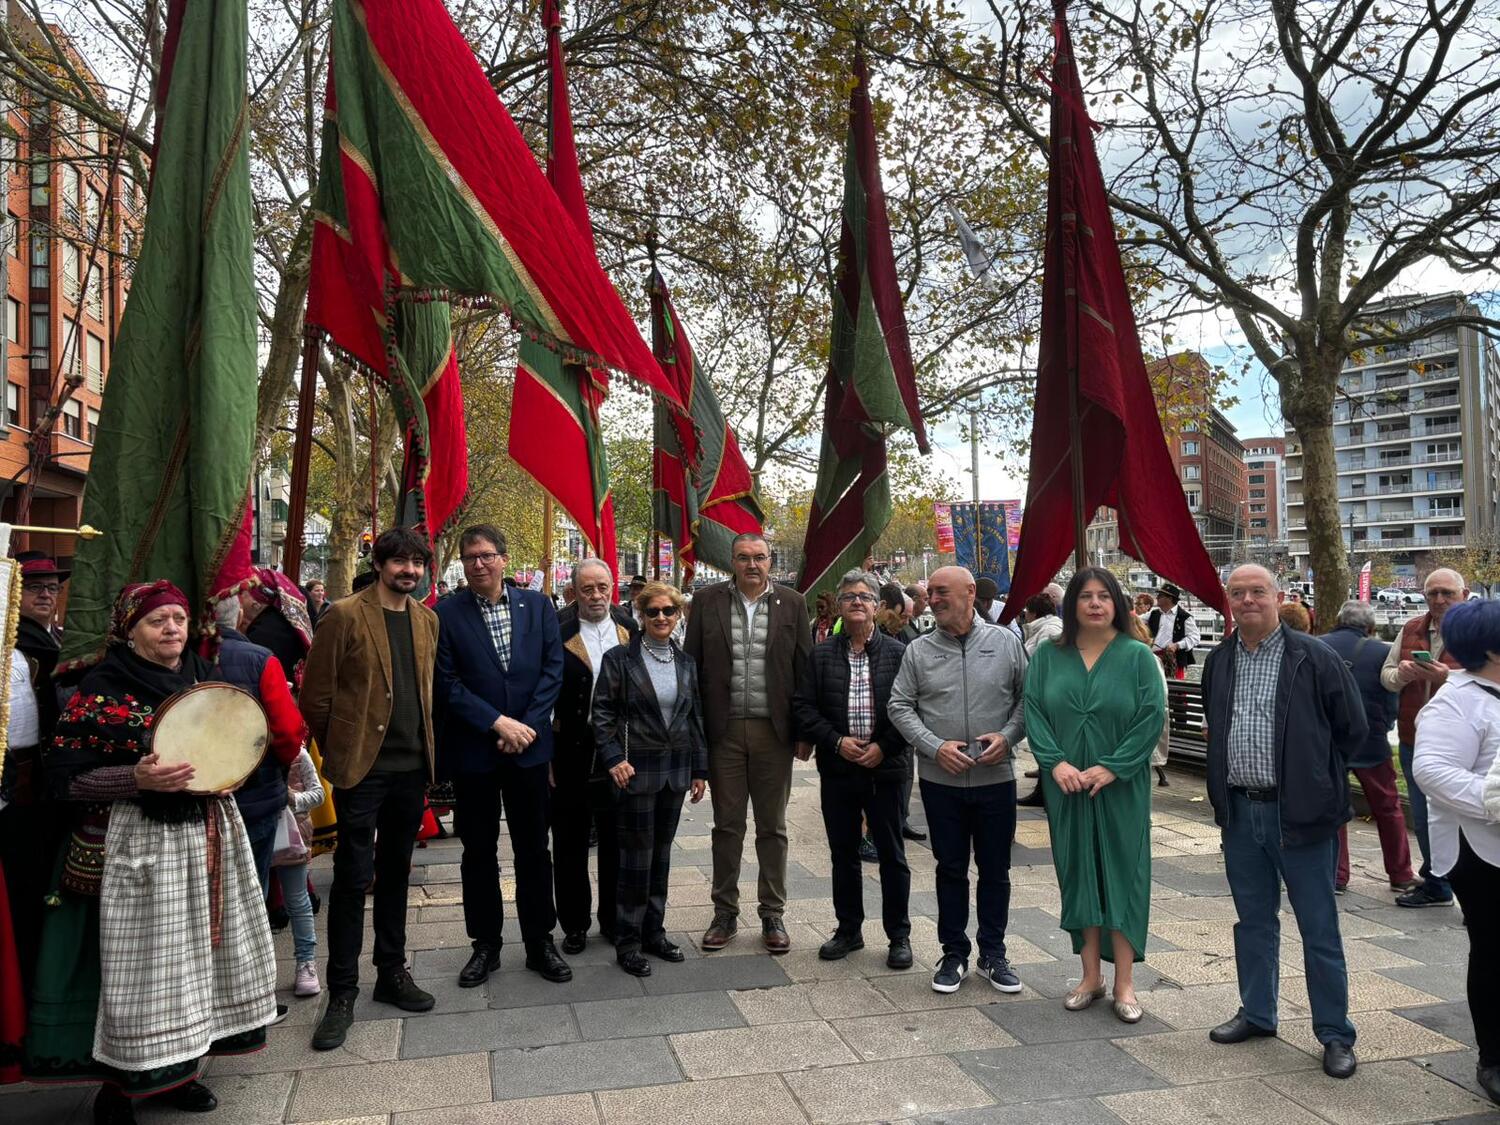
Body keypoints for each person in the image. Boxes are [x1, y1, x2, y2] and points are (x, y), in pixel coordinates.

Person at [24, 581, 277, 1122]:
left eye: (179, 620)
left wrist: (225, 777)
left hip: (204, 838)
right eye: (157, 620)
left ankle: (181, 1075)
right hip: (134, 846)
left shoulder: (203, 680)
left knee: (194, 964)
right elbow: (63, 783)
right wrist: (135, 778)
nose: (171, 630)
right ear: (129, 630)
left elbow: (228, 748)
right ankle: (119, 1088)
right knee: (132, 973)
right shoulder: (101, 690)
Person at [1200, 564, 1366, 1080]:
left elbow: (1353, 731)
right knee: (1252, 921)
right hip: (1239, 811)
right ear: (1228, 601)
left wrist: (1315, 778)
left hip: (1301, 816)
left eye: (1257, 592)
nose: (1247, 600)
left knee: (1318, 927)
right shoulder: (1220, 660)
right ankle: (1257, 1013)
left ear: (1278, 597)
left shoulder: (1314, 657)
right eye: (1237, 592)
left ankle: (1335, 1033)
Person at [300, 528, 440, 1051]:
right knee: (352, 878)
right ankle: (341, 993)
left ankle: (391, 973)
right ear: (379, 563)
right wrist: (342, 751)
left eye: (416, 562)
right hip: (362, 770)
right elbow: (316, 696)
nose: (409, 570)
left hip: (411, 769)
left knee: (397, 875)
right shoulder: (343, 614)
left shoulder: (427, 620)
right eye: (399, 561)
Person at [1025, 567, 1164, 1022]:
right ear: (1072, 605)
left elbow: (1150, 716)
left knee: (1124, 875)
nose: (1095, 604)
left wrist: (1113, 766)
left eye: (1104, 596)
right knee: (1079, 871)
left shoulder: (1138, 656)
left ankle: (1124, 982)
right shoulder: (1049, 655)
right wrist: (1055, 762)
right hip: (1065, 785)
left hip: (1121, 787)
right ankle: (1090, 976)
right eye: (1085, 596)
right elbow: (1035, 710)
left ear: (1118, 604)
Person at [435, 525, 569, 987]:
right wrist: (497, 722)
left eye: (486, 555)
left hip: (530, 754)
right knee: (478, 851)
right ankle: (485, 945)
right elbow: (446, 682)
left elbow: (553, 670)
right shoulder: (445, 614)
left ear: (504, 559)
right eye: (470, 557)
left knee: (534, 849)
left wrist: (526, 727)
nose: (478, 564)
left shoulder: (538, 606)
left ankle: (539, 943)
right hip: (476, 752)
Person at [889, 565, 1027, 995]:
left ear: (970, 593)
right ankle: (953, 953)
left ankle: (993, 953)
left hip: (995, 779)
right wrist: (933, 746)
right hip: (940, 782)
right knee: (950, 868)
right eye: (930, 592)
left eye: (942, 591)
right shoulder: (919, 650)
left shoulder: (1006, 642)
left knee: (995, 870)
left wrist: (1007, 738)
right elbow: (899, 706)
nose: (933, 598)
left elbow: (1030, 700)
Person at [685, 532, 812, 954]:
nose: (752, 565)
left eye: (759, 557)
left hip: (773, 733)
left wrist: (803, 731)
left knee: (772, 827)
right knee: (727, 826)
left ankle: (772, 912)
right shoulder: (706, 602)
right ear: (731, 562)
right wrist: (696, 737)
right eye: (743, 558)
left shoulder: (793, 603)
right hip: (723, 733)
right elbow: (692, 670)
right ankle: (724, 911)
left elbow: (803, 670)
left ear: (770, 560)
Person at [793, 569, 913, 968]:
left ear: (877, 607)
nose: (857, 602)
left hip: (887, 768)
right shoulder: (822, 653)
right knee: (843, 852)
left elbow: (912, 709)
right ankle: (849, 929)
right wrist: (836, 741)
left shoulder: (899, 654)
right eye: (849, 597)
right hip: (840, 769)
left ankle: (899, 935)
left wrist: (884, 747)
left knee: (892, 854)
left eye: (864, 597)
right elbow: (804, 708)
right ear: (840, 606)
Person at [591, 582, 708, 976]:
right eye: (653, 611)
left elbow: (695, 719)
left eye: (668, 611)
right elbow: (602, 714)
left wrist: (699, 770)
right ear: (640, 615)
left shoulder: (686, 662)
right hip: (634, 772)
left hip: (674, 773)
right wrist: (612, 759)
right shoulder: (619, 659)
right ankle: (628, 940)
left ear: (678, 615)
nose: (661, 618)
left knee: (660, 857)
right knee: (634, 860)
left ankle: (654, 932)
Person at [1412, 599, 1500, 1106]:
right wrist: (1494, 804)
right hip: (1480, 850)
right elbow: (1432, 774)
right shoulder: (1455, 702)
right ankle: (1494, 1057)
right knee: (1493, 951)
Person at [553, 559, 637, 952]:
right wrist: (548, 755)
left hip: (620, 750)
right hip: (570, 748)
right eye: (587, 589)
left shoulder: (630, 628)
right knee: (569, 841)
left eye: (602, 587)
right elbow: (544, 693)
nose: (596, 595)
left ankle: (613, 920)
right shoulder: (556, 629)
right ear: (574, 591)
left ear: (612, 587)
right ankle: (573, 924)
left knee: (617, 839)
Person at [1382, 567, 1468, 909]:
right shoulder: (1412, 628)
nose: (1439, 600)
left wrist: (1450, 677)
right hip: (1415, 739)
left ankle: (1468, 886)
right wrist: (1401, 675)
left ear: (1463, 594)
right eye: (1432, 593)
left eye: (1447, 593)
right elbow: (1386, 677)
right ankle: (1437, 881)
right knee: (1423, 814)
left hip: (1462, 743)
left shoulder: (1481, 632)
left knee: (1466, 817)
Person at [1319, 601, 1417, 895]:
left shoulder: (1317, 646)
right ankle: (1400, 874)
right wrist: (1383, 726)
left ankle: (1337, 874)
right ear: (1371, 626)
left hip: (1328, 741)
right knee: (1388, 807)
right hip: (1370, 741)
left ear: (1338, 620)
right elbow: (1391, 699)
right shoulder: (1381, 651)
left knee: (1334, 808)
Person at [211, 596, 307, 895]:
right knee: (252, 892)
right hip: (257, 796)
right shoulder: (259, 659)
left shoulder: (179, 658)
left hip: (194, 801)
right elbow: (288, 733)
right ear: (240, 615)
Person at [274, 747, 327, 998]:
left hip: (293, 832)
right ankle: (256, 971)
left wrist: (293, 798)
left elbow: (318, 794)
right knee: (254, 902)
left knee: (297, 900)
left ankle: (306, 963)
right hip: (254, 831)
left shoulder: (297, 753)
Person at [14, 553, 68, 740]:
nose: (45, 595)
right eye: (34, 587)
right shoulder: (5, 643)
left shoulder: (68, 641)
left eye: (52, 588)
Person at [241, 568, 315, 685]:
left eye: (242, 593)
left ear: (256, 602)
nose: (237, 599)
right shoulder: (285, 621)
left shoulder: (263, 634)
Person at [1147, 583, 1200, 680]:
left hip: (1174, 661)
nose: (1157, 597)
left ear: (1170, 598)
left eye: (1160, 595)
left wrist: (1177, 645)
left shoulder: (1185, 617)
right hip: (1153, 659)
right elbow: (1136, 620)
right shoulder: (1153, 614)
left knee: (1175, 690)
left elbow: (1195, 638)